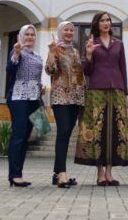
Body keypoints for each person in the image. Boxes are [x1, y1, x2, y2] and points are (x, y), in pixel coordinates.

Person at [75, 11, 128, 185]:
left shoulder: (119, 44)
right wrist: (89, 55)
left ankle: (109, 172)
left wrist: (125, 93)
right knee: (97, 130)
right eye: (102, 20)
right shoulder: (92, 43)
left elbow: (123, 68)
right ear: (97, 24)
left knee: (115, 129)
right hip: (96, 90)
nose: (106, 23)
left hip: (117, 90)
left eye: (108, 20)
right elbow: (87, 71)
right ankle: (99, 172)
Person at [45, 21, 85, 188]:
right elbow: (50, 70)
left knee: (67, 133)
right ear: (60, 32)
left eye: (71, 30)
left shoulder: (75, 51)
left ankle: (57, 173)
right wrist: (51, 53)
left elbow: (80, 75)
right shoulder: (55, 48)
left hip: (76, 97)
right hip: (60, 95)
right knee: (63, 131)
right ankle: (62, 173)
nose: (69, 32)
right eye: (66, 30)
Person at [5, 24, 43, 187]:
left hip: (34, 99)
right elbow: (10, 68)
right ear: (20, 36)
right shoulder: (17, 52)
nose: (29, 37)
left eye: (32, 34)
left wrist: (40, 87)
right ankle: (14, 174)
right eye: (26, 34)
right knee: (18, 136)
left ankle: (18, 172)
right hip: (18, 97)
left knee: (25, 137)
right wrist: (16, 53)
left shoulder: (37, 56)